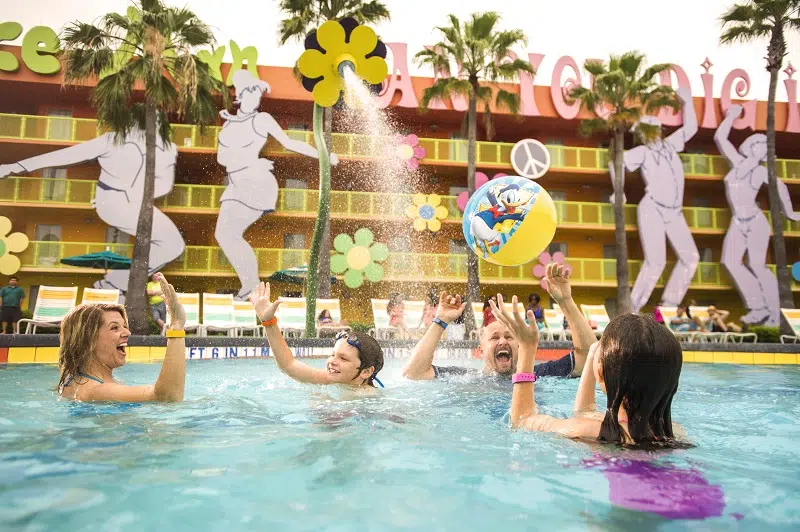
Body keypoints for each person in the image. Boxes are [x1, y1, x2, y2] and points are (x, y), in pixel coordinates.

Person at [507, 263, 684, 445]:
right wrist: (592, 354)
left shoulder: (587, 430)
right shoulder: (673, 432)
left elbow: (522, 420)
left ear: (600, 372)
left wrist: (527, 349)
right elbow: (585, 415)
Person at [0, 126, 184, 294]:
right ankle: (113, 284)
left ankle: (113, 284)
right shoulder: (112, 140)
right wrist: (16, 167)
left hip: (136, 202)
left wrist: (167, 161)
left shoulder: (162, 149)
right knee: (171, 243)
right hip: (111, 199)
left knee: (173, 244)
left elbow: (163, 188)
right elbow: (66, 155)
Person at [214, 70, 338, 300]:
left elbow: (290, 142)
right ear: (241, 95)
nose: (256, 100)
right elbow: (223, 158)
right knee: (224, 234)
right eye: (252, 94)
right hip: (235, 183)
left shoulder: (261, 119)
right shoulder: (229, 124)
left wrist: (324, 155)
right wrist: (243, 160)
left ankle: (251, 287)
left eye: (259, 96)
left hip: (256, 182)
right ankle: (250, 285)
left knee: (229, 234)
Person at [403, 269, 595, 380]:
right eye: (494, 337)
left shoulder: (540, 373)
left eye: (509, 336)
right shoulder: (466, 377)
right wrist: (441, 321)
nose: (502, 341)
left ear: (520, 345)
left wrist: (566, 301)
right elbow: (413, 373)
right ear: (480, 349)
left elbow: (588, 358)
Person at [610, 88, 700, 314]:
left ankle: (669, 305)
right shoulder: (641, 152)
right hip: (652, 209)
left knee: (691, 258)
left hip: (674, 212)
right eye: (644, 131)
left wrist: (687, 102)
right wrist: (617, 190)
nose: (648, 134)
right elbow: (616, 162)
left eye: (652, 130)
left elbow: (691, 128)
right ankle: (631, 310)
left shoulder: (671, 145)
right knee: (655, 262)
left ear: (659, 130)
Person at [715, 104, 799, 327]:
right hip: (737, 222)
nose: (763, 149)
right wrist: (731, 116)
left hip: (755, 222)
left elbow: (780, 186)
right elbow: (720, 137)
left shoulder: (760, 171)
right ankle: (758, 307)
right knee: (730, 261)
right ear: (751, 147)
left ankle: (772, 312)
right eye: (760, 145)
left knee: (758, 266)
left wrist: (789, 212)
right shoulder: (736, 161)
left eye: (765, 147)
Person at [58, 273, 187, 402]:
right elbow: (167, 397)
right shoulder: (96, 390)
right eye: (114, 328)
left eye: (124, 326)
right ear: (88, 340)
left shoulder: (72, 381)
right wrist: (176, 326)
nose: (127, 333)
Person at [250, 281, 384, 387]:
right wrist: (269, 322)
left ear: (366, 372)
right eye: (332, 355)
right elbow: (288, 365)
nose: (332, 361)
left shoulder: (371, 399)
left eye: (343, 358)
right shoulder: (327, 380)